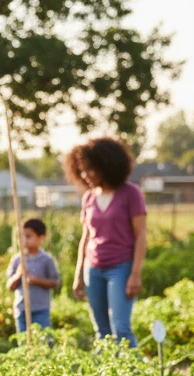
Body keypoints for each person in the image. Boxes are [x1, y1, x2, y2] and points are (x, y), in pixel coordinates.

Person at [64, 136, 148, 348]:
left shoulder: (130, 194)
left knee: (121, 327)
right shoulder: (89, 198)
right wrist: (78, 275)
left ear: (106, 167)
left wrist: (135, 274)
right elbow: (86, 237)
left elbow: (140, 236)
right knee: (101, 329)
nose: (85, 175)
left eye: (90, 169)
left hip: (121, 267)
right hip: (93, 269)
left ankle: (135, 374)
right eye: (82, 170)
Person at [5, 218, 60, 333]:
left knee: (43, 340)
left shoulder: (46, 259)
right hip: (21, 309)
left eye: (28, 236)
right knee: (24, 342)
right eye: (21, 236)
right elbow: (10, 286)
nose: (24, 240)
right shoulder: (17, 259)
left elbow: (55, 283)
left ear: (41, 238)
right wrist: (18, 275)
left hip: (41, 309)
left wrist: (37, 281)